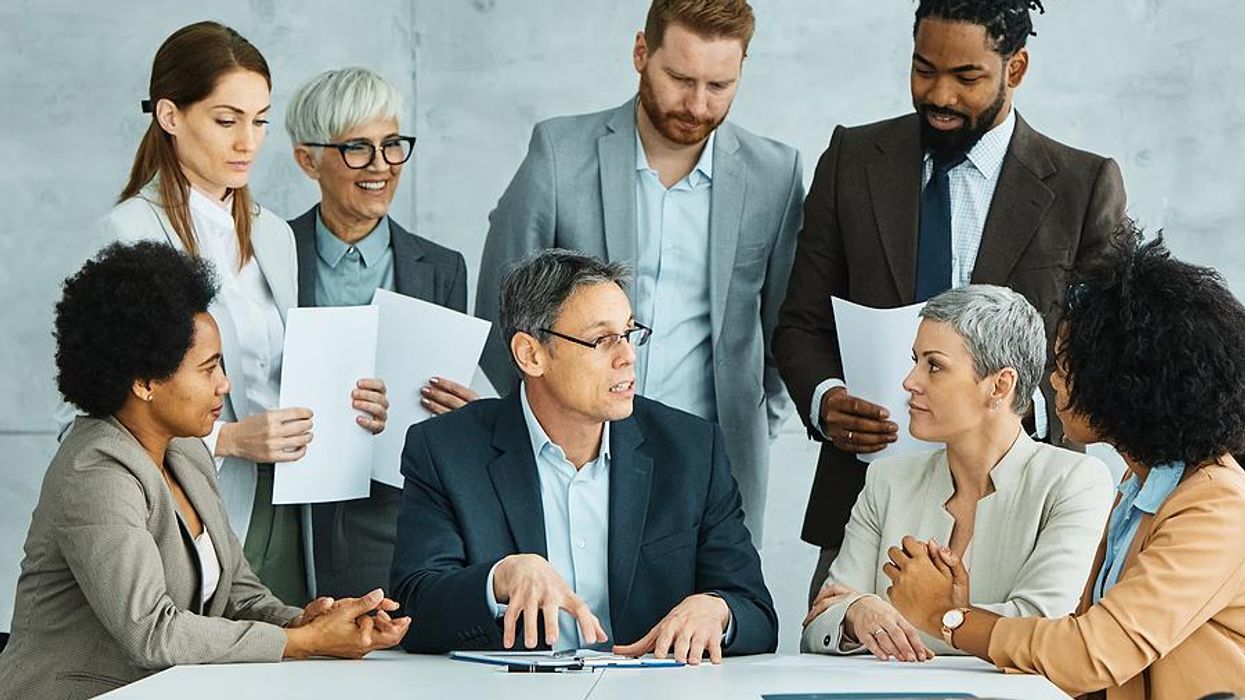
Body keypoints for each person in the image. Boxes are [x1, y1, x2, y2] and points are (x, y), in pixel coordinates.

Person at [772, 0, 1128, 601]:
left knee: (1007, 667)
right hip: (863, 494)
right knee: (839, 660)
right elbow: (800, 323)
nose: (939, 94)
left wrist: (1012, 412)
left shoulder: (1081, 184)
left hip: (1021, 499)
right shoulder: (852, 161)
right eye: (922, 69)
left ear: (1015, 69)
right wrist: (825, 401)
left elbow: (1106, 351)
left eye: (966, 77)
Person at [0, 242, 407, 699]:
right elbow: (152, 632)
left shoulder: (187, 452)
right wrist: (301, 643)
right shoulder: (95, 473)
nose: (224, 384)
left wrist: (306, 621)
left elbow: (239, 596)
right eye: (209, 369)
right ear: (144, 382)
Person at [474, 0, 804, 540]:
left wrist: (753, 424)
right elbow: (501, 311)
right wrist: (543, 437)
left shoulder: (776, 173)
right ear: (640, 53)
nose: (697, 105)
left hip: (713, 462)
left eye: (719, 85)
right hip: (573, 457)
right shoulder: (558, 152)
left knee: (709, 618)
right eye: (679, 78)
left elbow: (784, 326)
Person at [89, 22, 391, 604]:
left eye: (260, 121)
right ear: (170, 116)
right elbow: (91, 417)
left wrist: (350, 400)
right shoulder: (128, 233)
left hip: (290, 504)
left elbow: (282, 375)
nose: (248, 142)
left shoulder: (274, 235)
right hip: (187, 506)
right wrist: (227, 439)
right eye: (227, 120)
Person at [885, 228, 1245, 698]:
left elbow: (1091, 654)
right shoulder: (1139, 488)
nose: (1052, 383)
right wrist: (961, 611)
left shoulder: (1216, 505)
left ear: (1126, 384)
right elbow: (1077, 638)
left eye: (1066, 367)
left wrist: (948, 619)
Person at [392, 249, 776, 663]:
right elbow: (413, 611)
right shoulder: (446, 450)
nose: (628, 356)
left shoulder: (691, 449)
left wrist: (718, 610)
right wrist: (498, 579)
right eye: (602, 340)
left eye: (629, 333)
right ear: (531, 354)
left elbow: (755, 612)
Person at [801, 285, 1112, 661]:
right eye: (914, 360)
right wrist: (855, 614)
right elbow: (820, 624)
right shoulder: (887, 479)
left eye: (934, 365)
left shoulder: (1075, 482)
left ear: (1000, 385)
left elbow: (1039, 629)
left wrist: (914, 618)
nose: (910, 381)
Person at [285, 67, 473, 599]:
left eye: (392, 145)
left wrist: (465, 415)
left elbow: (446, 424)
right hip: (286, 503)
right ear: (308, 159)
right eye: (358, 149)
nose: (381, 166)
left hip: (394, 509)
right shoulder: (268, 253)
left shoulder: (442, 269)